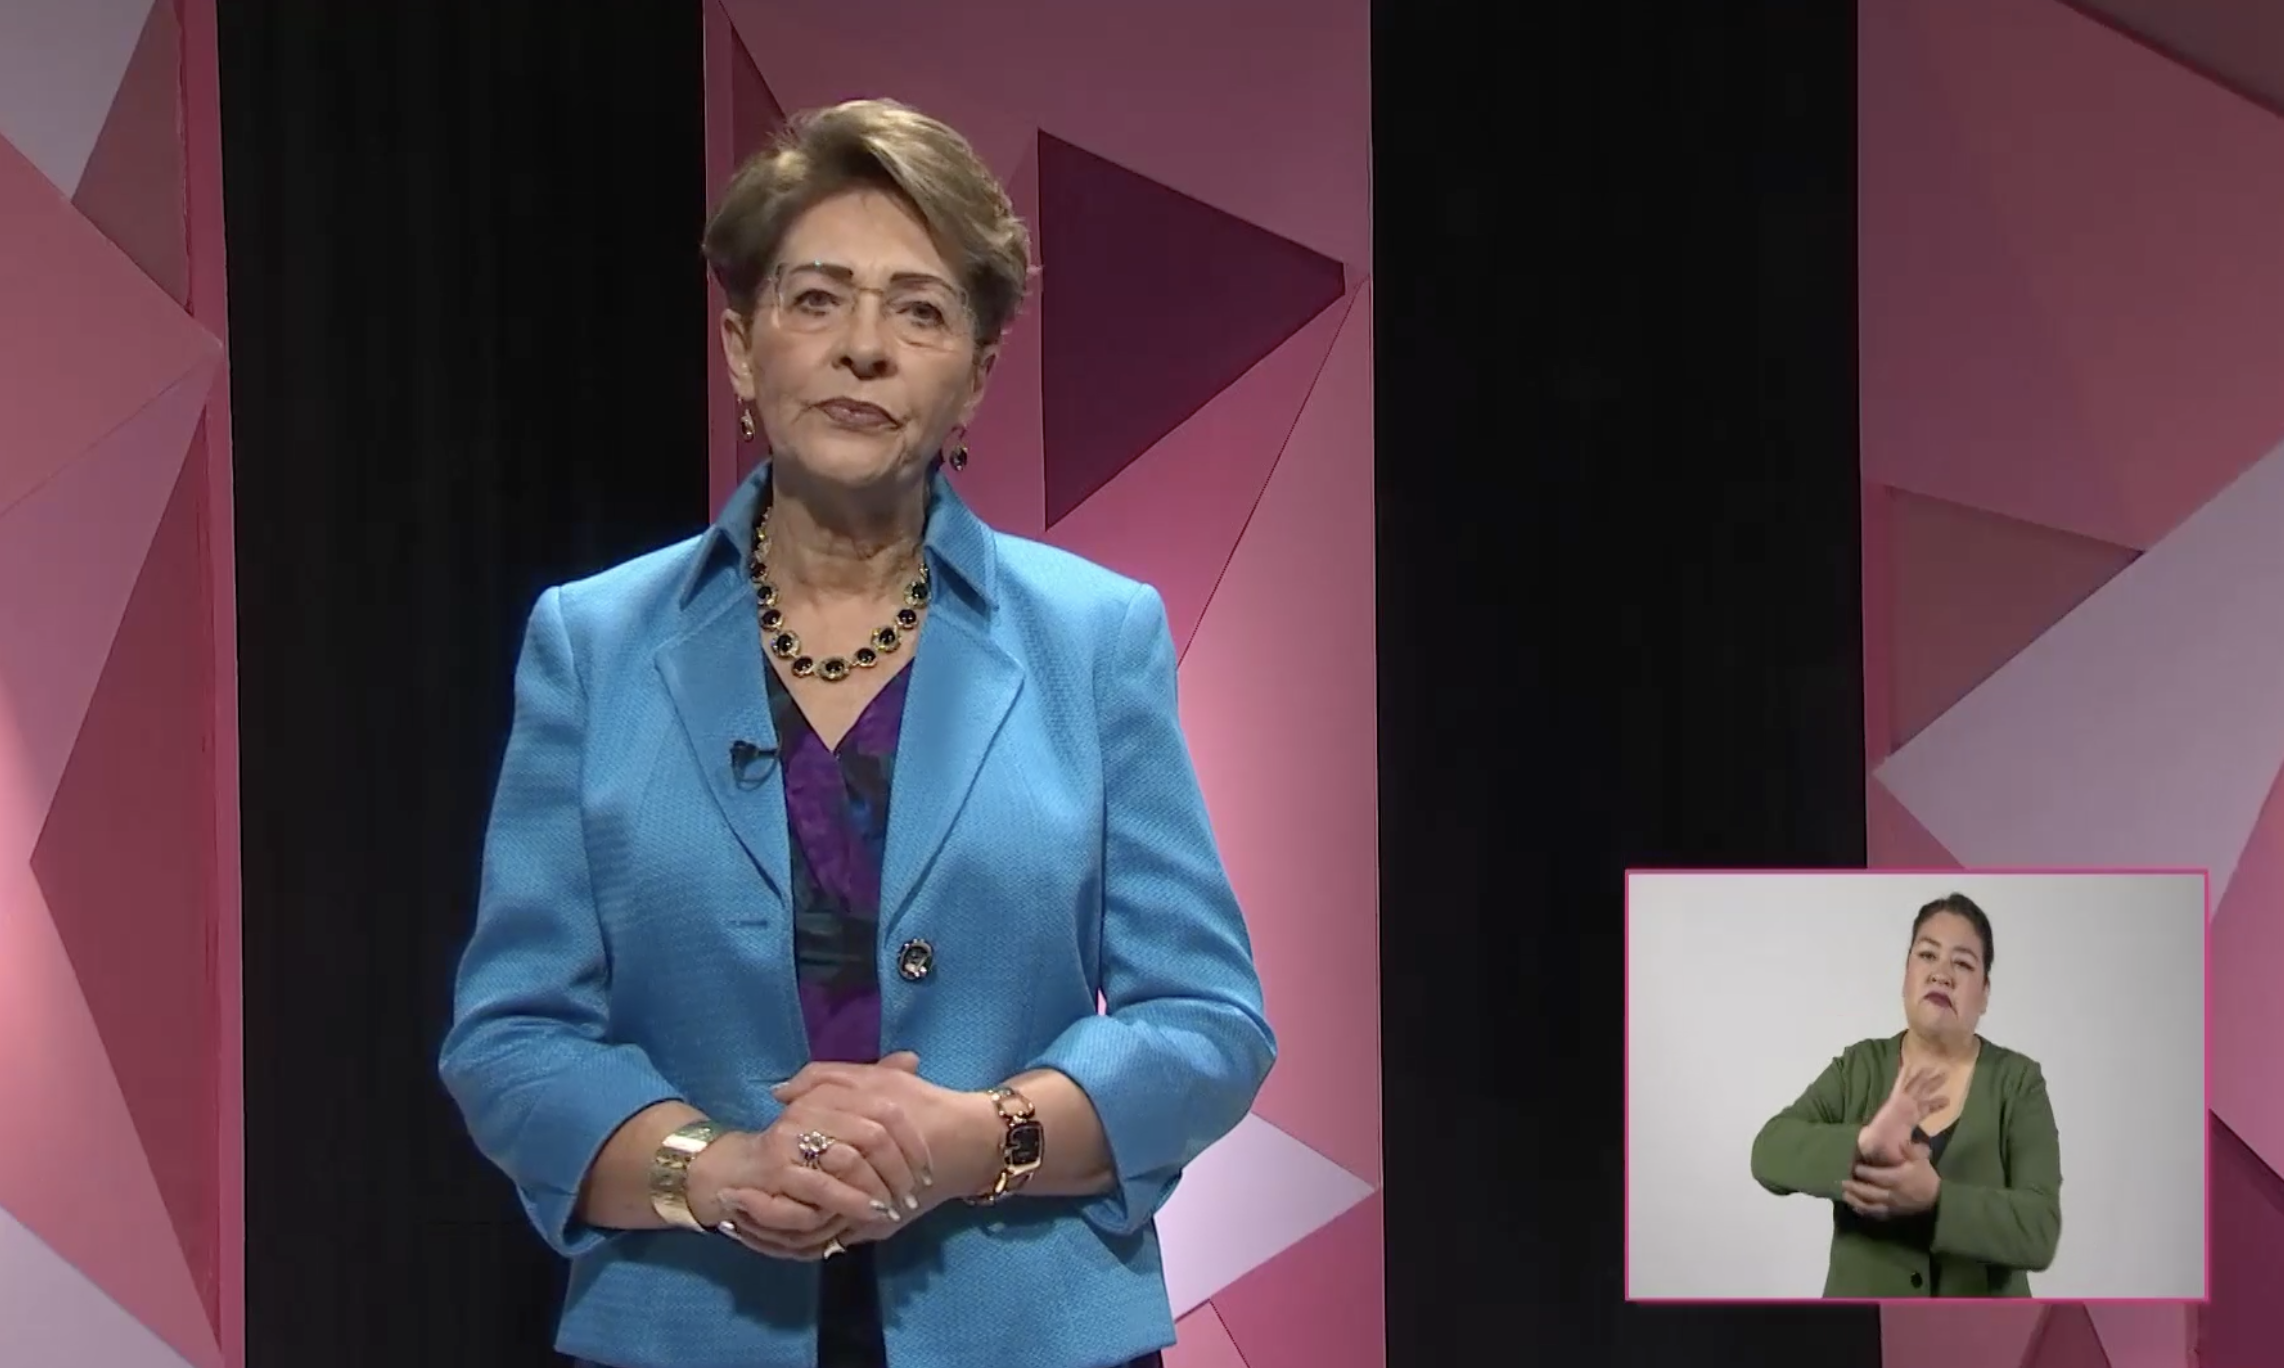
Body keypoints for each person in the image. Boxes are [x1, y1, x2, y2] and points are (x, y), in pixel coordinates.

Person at [438, 98, 1276, 1368]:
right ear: (741, 346)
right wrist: (706, 1168)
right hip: (690, 1326)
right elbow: (510, 1038)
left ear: (975, 377)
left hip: (1033, 1334)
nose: (864, 349)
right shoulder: (592, 645)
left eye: (920, 311)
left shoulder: (1096, 638)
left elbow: (1207, 1023)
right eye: (818, 300)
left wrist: (978, 1141)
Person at [1748, 893, 2061, 1297]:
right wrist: (1863, 1144)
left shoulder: (2018, 1082)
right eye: (1927, 955)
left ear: (1984, 993)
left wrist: (1937, 1200)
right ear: (1906, 975)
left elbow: (2039, 1230)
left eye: (1963, 963)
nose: (1941, 974)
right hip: (1867, 1328)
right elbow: (1768, 1152)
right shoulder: (1857, 1067)